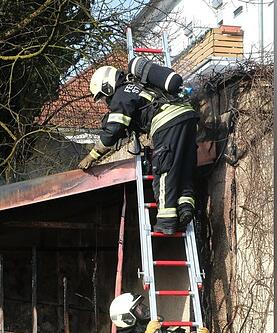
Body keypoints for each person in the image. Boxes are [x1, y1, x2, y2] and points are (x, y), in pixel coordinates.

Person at [79, 65, 199, 235]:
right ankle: (185, 208)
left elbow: (113, 130)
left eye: (104, 96)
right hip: (187, 115)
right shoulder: (140, 85)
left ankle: (167, 220)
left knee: (164, 170)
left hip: (167, 122)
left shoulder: (120, 95)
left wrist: (92, 155)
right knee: (183, 169)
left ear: (107, 86)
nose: (106, 101)